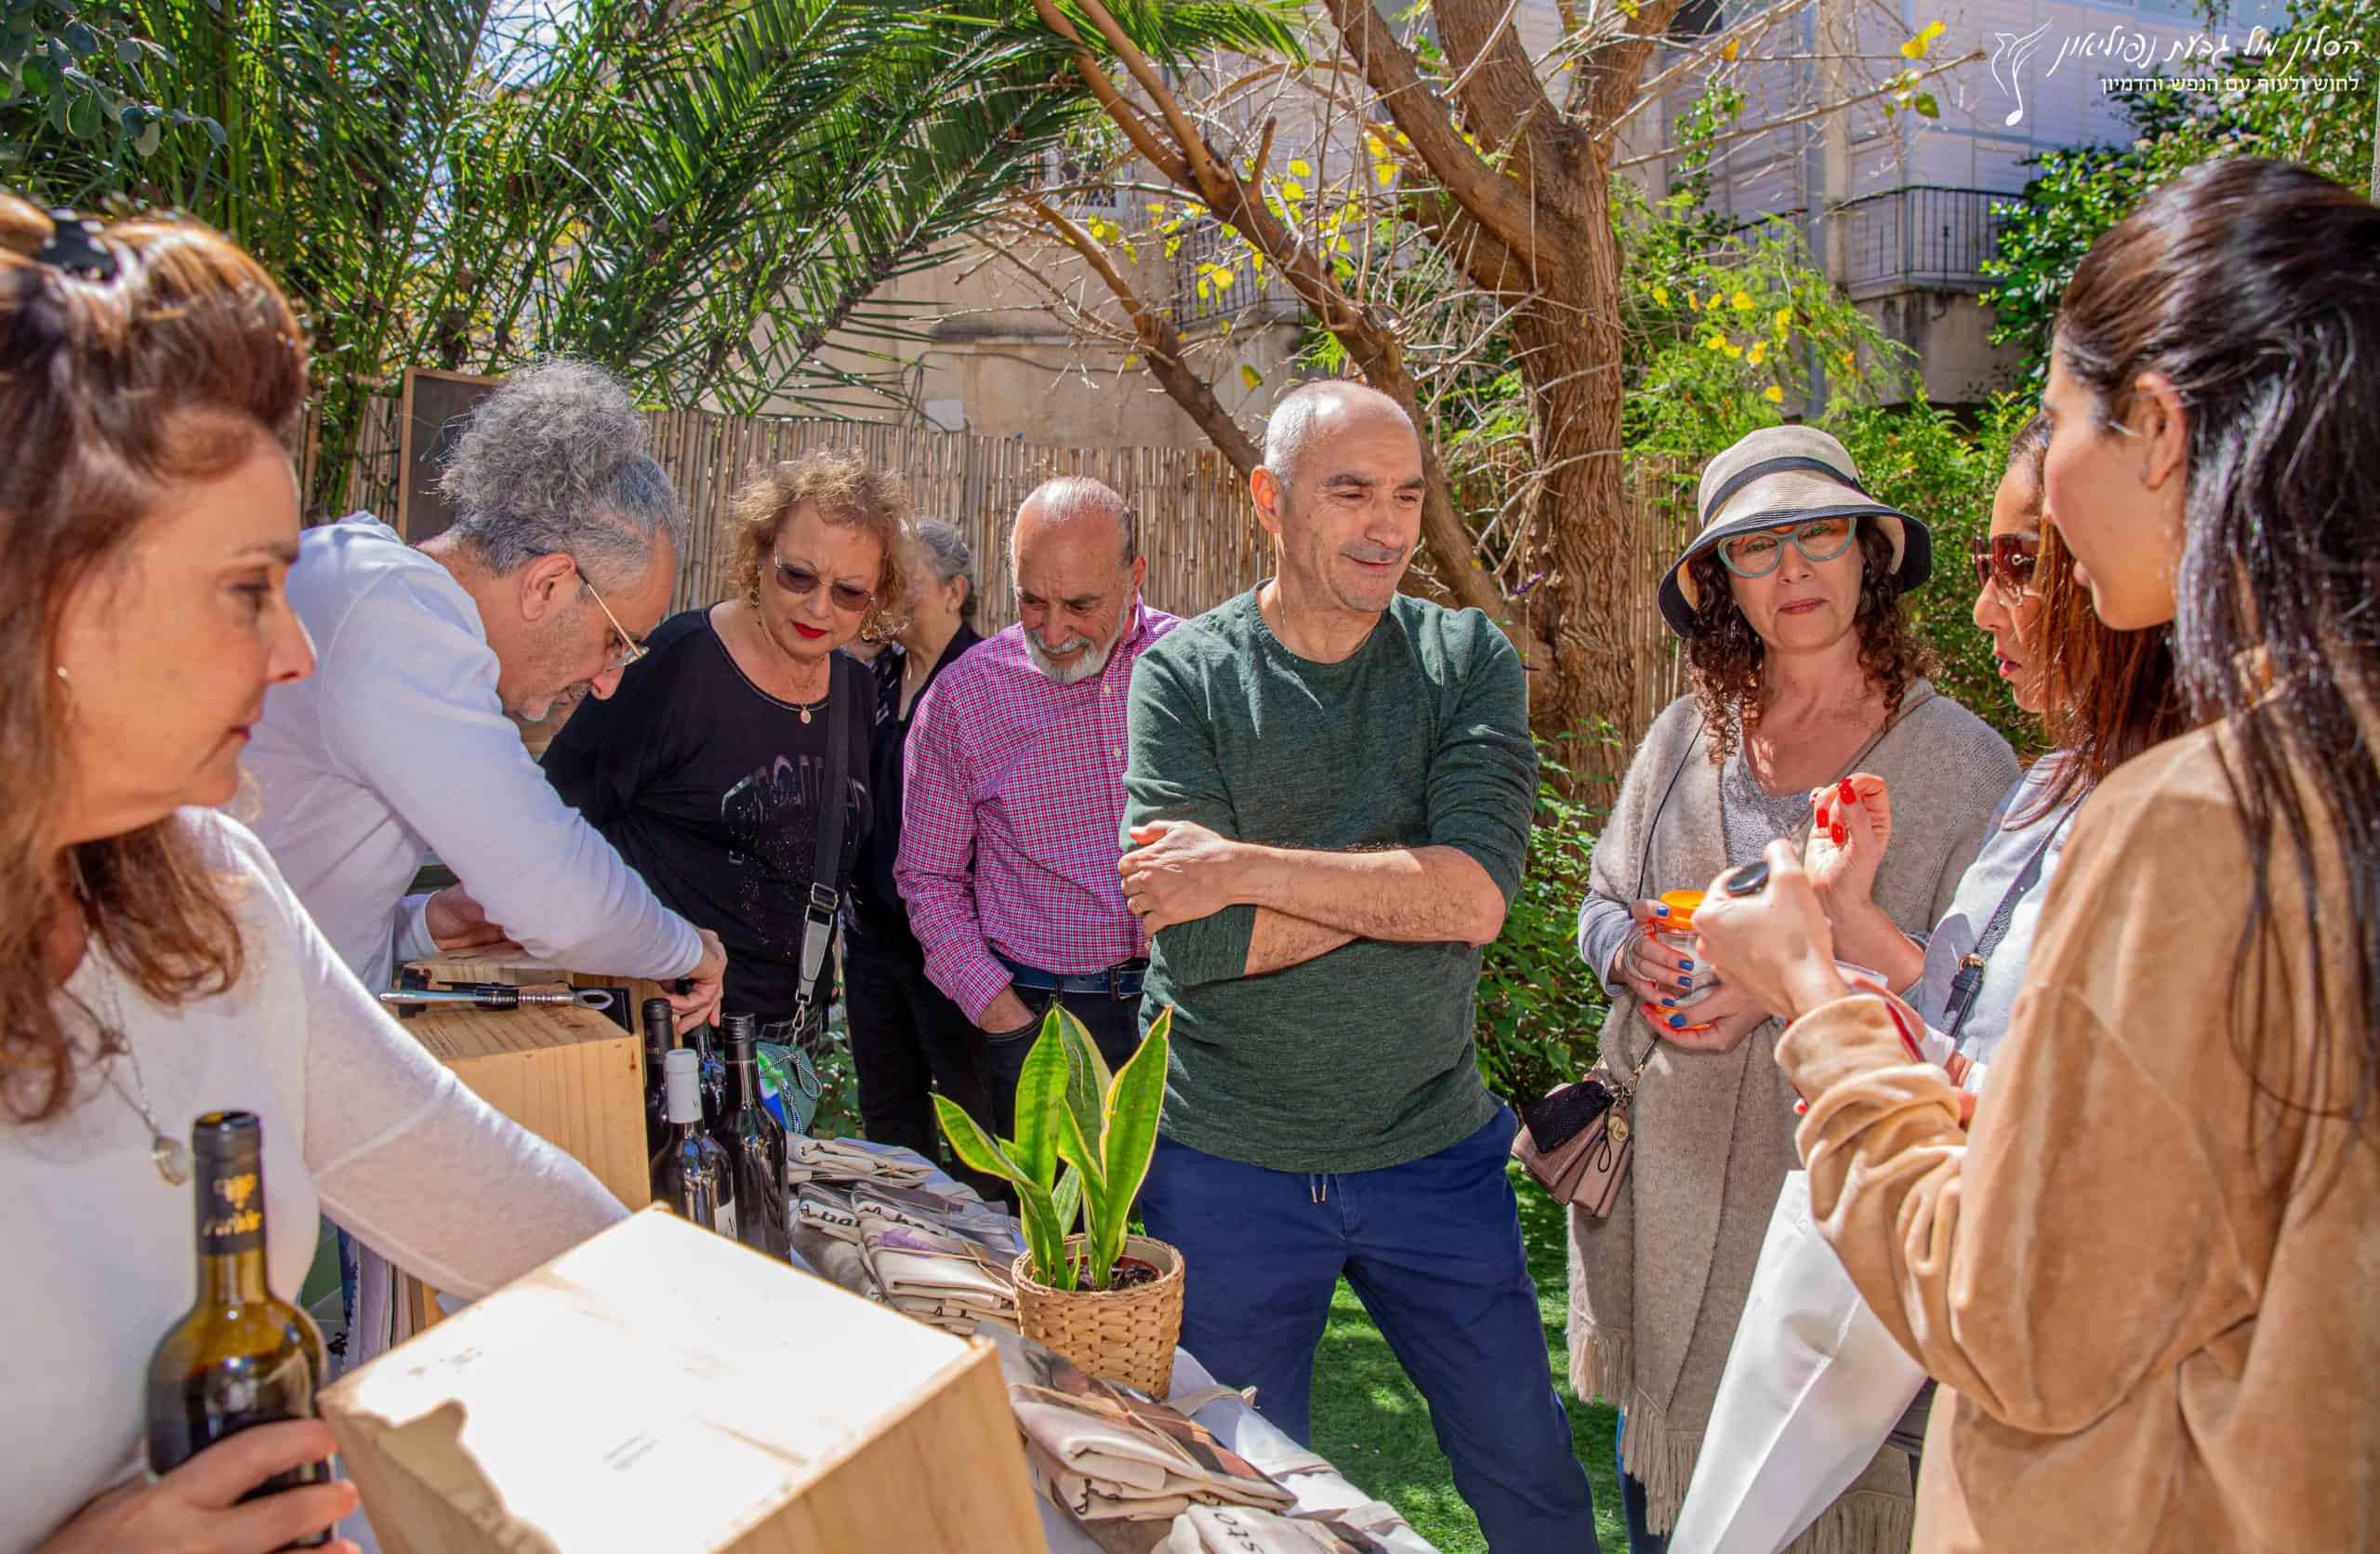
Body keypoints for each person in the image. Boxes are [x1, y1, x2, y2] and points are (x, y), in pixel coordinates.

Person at [1693, 157, 2380, 1553]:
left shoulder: (2201, 816)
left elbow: (2016, 1316)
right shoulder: (2334, 768)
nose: (2047, 510)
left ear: (2164, 431)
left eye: (2056, 420)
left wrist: (1821, 1003)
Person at [0, 196, 626, 1554]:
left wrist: (801, 1344)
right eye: (246, 589)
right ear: (43, 594)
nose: (294, 651)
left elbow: (494, 1196)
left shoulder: (204, 886)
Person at [1669, 415, 2187, 1551]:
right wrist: (1855, 925)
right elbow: (1982, 1018)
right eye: (1756, 548)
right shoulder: (2061, 778)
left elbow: (2053, 1182)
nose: (1991, 605)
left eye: (2025, 565)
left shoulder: (2179, 827)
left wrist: (1807, 985)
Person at [1117, 382, 1599, 1551]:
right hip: (1225, 1160)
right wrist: (1401, 887)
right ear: (1268, 501)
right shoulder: (1185, 678)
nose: (1387, 526)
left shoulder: (1461, 657)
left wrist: (1240, 863)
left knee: (1529, 1480)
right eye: (1351, 493)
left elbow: (1476, 899)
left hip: (1432, 1152)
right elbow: (1198, 945)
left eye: (1405, 494)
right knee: (1232, 1499)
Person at [1567, 425, 2017, 1553]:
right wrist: (1631, 956)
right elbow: (1601, 903)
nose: (1794, 570)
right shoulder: (1684, 741)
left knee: (1814, 1503)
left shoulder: (1964, 763)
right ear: (1720, 581)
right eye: (1756, 547)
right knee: (1670, 1508)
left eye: (1818, 533)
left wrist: (1780, 986)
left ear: (1871, 552)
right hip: (1669, 1207)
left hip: (1844, 1223)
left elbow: (1981, 1005)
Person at [241, 358, 727, 1021]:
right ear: (549, 584)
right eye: (617, 639)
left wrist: (421, 924)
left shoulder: (370, 585)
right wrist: (688, 949)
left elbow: (293, 906)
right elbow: (557, 894)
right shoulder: (399, 624)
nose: (609, 681)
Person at [544, 452, 906, 1040]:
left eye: (849, 593)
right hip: (660, 1032)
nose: (819, 607)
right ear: (759, 556)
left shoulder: (856, 692)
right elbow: (550, 818)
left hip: (786, 1044)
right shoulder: (678, 663)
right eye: (798, 576)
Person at [896, 478, 1179, 1133]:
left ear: (1134, 576)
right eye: (1032, 600)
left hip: (1183, 1018)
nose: (1053, 630)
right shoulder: (965, 698)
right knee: (1053, 1236)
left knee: (1185, 1233)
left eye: (1081, 604)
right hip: (1038, 1020)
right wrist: (1004, 1018)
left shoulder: (1194, 668)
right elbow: (927, 879)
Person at [841, 521, 1000, 1189]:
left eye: (906, 580)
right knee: (889, 1120)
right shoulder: (870, 678)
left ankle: (992, 1265)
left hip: (951, 942)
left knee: (975, 1120)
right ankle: (906, 1266)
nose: (890, 594)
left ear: (954, 590)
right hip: (870, 938)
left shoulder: (988, 680)